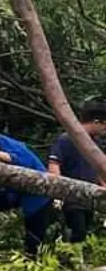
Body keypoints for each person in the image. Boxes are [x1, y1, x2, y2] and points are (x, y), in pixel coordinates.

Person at [47, 102, 106, 243]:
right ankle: (68, 256)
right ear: (96, 122)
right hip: (71, 194)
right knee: (77, 231)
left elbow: (99, 168)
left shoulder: (95, 142)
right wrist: (58, 192)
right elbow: (54, 165)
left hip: (90, 194)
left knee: (84, 231)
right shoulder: (66, 139)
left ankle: (74, 257)